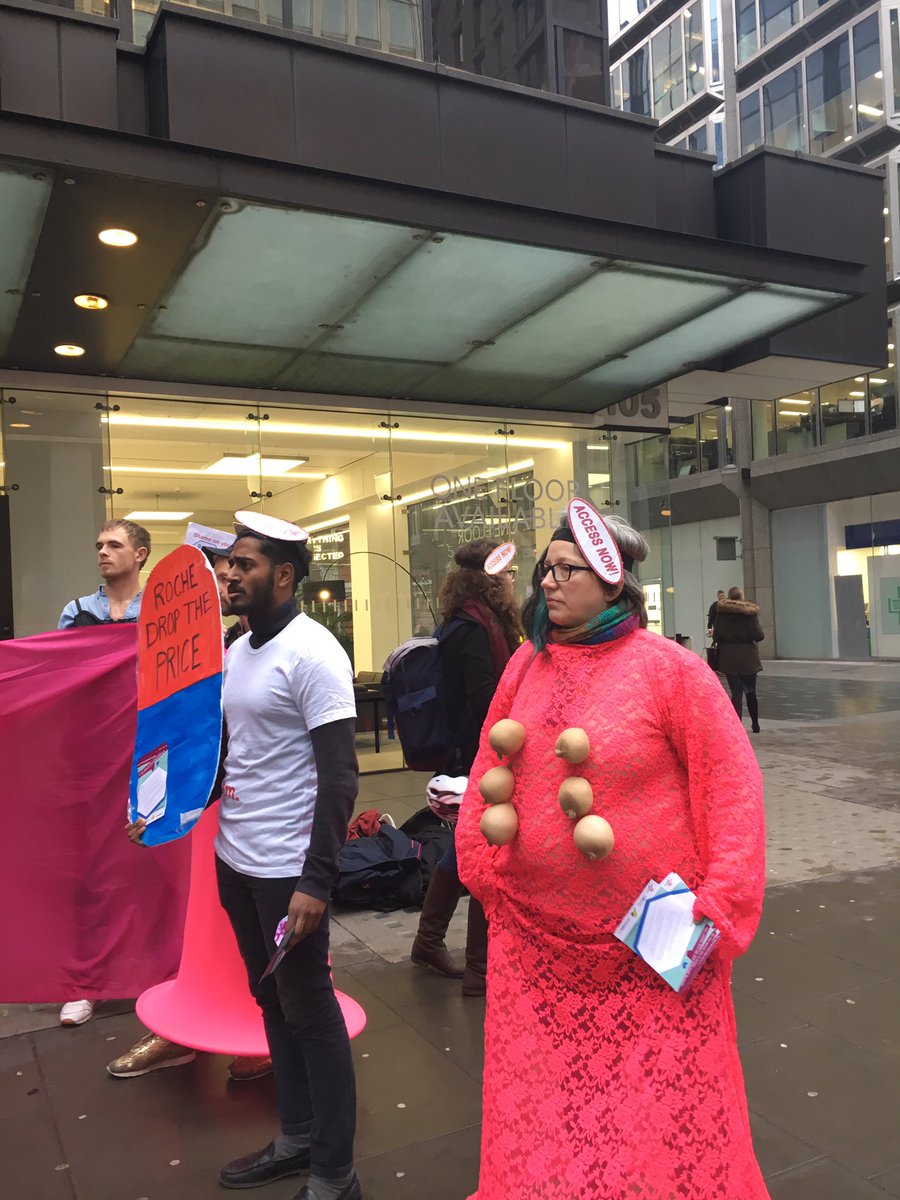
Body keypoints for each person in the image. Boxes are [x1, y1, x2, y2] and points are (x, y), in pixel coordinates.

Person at [456, 506, 768, 1200]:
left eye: (568, 569)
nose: (550, 582)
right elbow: (485, 769)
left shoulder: (672, 672)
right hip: (536, 953)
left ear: (614, 581)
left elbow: (733, 793)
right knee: (550, 1122)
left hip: (652, 951)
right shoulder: (525, 667)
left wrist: (717, 909)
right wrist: (483, 868)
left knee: (657, 1128)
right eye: (546, 569)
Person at [212, 512, 361, 1200]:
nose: (229, 573)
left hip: (287, 873)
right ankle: (297, 1136)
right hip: (236, 860)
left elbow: (340, 777)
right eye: (228, 563)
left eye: (244, 565)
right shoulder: (235, 650)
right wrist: (161, 806)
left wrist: (316, 880)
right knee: (270, 999)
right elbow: (227, 756)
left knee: (310, 1010)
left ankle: (334, 1174)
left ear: (284, 576)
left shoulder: (314, 652)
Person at [109, 538, 268, 1083]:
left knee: (259, 927)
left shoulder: (264, 644)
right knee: (205, 923)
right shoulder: (193, 649)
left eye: (232, 573)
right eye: (217, 576)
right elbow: (166, 730)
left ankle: (262, 1032)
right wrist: (151, 807)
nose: (225, 586)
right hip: (204, 808)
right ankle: (187, 1027)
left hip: (262, 814)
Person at [410, 540, 523, 996]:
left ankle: (428, 942)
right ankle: (480, 968)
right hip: (480, 754)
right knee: (487, 849)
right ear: (491, 578)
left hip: (473, 752)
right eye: (508, 572)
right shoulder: (477, 627)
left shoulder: (468, 621)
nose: (514, 578)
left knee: (465, 847)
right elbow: (483, 695)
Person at [56, 518, 151, 1027]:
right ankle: (87, 983)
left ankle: (153, 972)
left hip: (145, 753)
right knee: (90, 868)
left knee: (149, 862)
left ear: (140, 555)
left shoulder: (161, 611)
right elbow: (63, 678)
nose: (102, 552)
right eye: (98, 545)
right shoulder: (77, 613)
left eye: (114, 545)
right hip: (92, 755)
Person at [713, 585, 765, 733]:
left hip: (729, 657)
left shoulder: (722, 614)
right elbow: (759, 635)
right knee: (751, 691)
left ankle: (736, 727)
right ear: (741, 597)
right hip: (748, 657)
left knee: (736, 692)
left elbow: (716, 636)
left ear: (729, 597)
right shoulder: (749, 614)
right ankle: (755, 724)